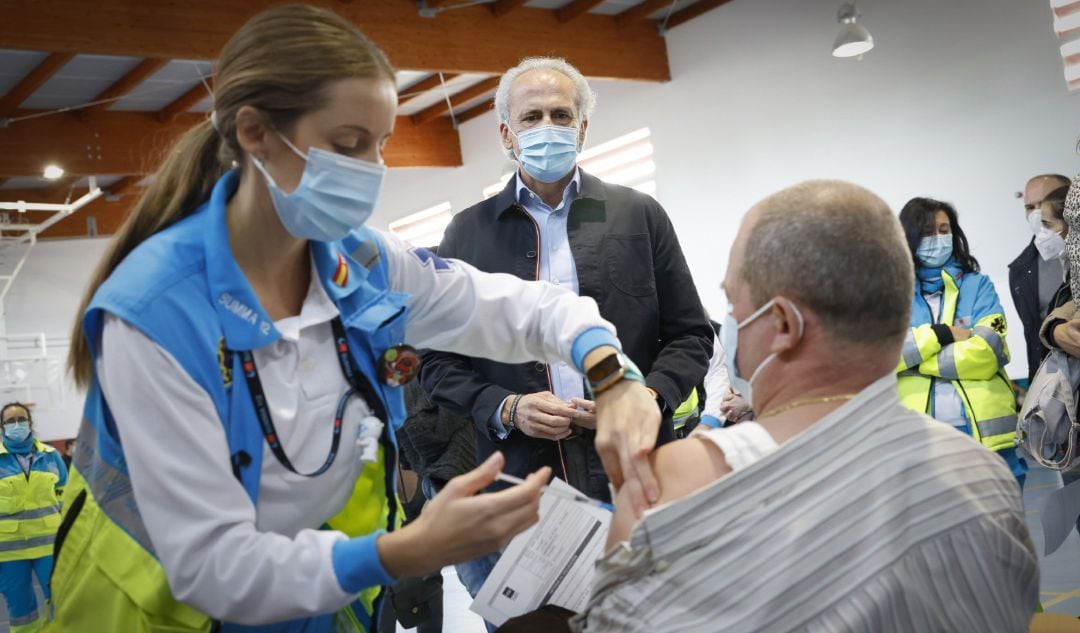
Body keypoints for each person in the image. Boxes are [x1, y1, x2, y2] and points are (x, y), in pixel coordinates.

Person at [44, 7, 659, 633]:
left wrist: (611, 374)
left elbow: (518, 305)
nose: (371, 169)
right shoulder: (154, 315)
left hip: (326, 600)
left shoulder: (358, 261)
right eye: (347, 145)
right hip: (161, 613)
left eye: (380, 143)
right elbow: (213, 566)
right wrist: (408, 551)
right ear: (255, 132)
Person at [502, 180, 1039, 633]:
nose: (729, 323)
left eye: (734, 301)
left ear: (781, 325)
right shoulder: (984, 472)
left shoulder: (681, 481)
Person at [419, 56, 712, 609]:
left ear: (582, 126)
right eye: (531, 117)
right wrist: (506, 408)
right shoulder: (468, 232)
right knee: (543, 622)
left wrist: (642, 398)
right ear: (506, 133)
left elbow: (692, 335)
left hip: (635, 464)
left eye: (561, 114)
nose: (548, 128)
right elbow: (437, 363)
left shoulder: (638, 215)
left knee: (658, 613)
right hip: (524, 480)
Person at [896, 197, 1026, 485]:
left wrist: (914, 361)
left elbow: (987, 353)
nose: (938, 238)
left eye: (944, 230)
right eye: (928, 231)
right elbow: (881, 357)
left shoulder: (977, 286)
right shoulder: (890, 295)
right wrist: (943, 334)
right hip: (918, 442)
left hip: (988, 440)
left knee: (1001, 529)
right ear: (909, 236)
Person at [0, 402, 67, 633]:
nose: (16, 424)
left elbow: (64, 497)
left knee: (62, 601)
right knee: (20, 611)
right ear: (2, 427)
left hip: (49, 544)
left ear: (30, 422)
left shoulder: (51, 456)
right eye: (10, 421)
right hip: (8, 551)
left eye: (21, 419)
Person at [1009, 174, 1071, 382]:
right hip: (1052, 383)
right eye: (1029, 207)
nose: (1036, 214)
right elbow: (1034, 336)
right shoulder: (1020, 270)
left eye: (1043, 203)